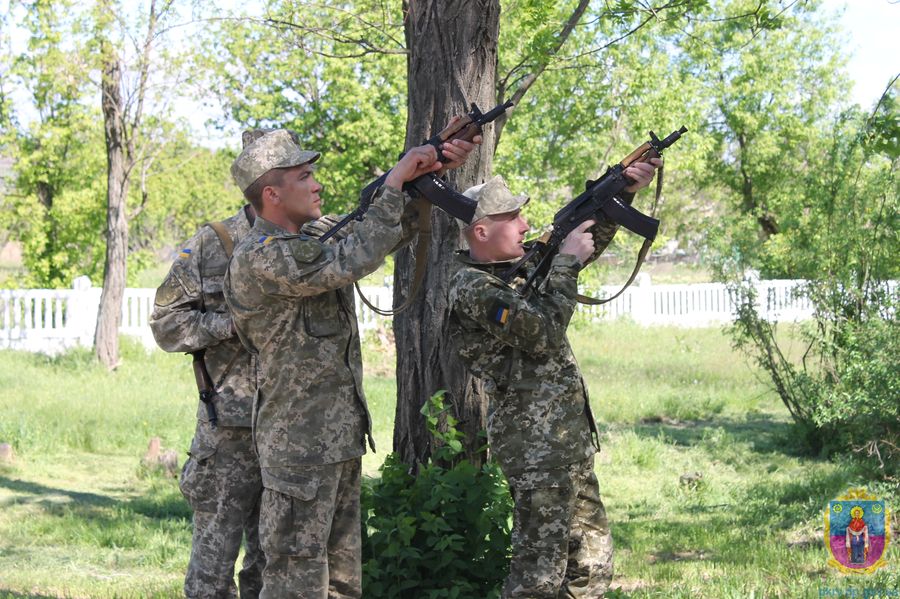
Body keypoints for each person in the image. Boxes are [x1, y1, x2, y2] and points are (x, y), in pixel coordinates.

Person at [223, 127, 479, 598]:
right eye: (305, 176)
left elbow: (380, 233)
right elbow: (353, 255)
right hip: (297, 447)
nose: (317, 183)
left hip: (337, 438)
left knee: (342, 583)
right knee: (294, 582)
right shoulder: (259, 257)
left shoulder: (311, 239)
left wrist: (424, 176)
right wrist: (395, 181)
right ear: (273, 194)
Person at [447, 165, 660, 598]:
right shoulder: (474, 289)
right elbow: (543, 332)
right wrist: (565, 263)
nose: (526, 224)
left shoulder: (519, 269)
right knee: (538, 577)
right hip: (535, 449)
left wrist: (621, 195)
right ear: (482, 232)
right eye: (513, 218)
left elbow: (582, 245)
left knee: (590, 568)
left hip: (567, 442)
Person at [149, 130, 283, 599]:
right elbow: (166, 325)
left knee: (273, 565)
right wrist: (230, 325)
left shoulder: (311, 238)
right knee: (212, 569)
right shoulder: (212, 244)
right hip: (227, 431)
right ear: (266, 184)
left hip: (290, 428)